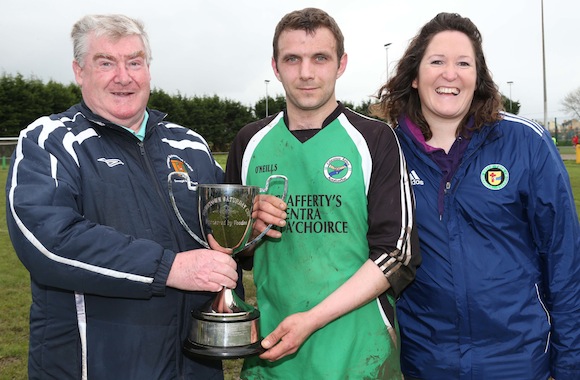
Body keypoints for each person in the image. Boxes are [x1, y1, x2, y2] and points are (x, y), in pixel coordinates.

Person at [5, 14, 285, 379]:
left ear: (148, 69)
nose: (124, 76)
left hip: (193, 366)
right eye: (106, 63)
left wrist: (249, 228)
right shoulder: (51, 140)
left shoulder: (190, 145)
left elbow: (220, 241)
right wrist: (169, 268)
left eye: (134, 62)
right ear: (79, 71)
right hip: (95, 367)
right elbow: (48, 240)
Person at [371, 12, 580, 380]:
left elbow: (564, 261)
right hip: (426, 362)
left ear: (477, 77)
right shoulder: (386, 149)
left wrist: (568, 365)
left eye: (463, 63)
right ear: (415, 77)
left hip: (520, 360)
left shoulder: (526, 142)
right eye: (437, 61)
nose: (450, 74)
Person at [225, 7, 420, 379]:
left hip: (360, 354)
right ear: (275, 66)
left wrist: (312, 319)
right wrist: (248, 230)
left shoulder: (375, 139)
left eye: (320, 58)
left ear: (340, 63)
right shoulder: (249, 142)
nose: (306, 73)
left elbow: (397, 253)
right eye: (292, 59)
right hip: (272, 354)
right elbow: (234, 253)